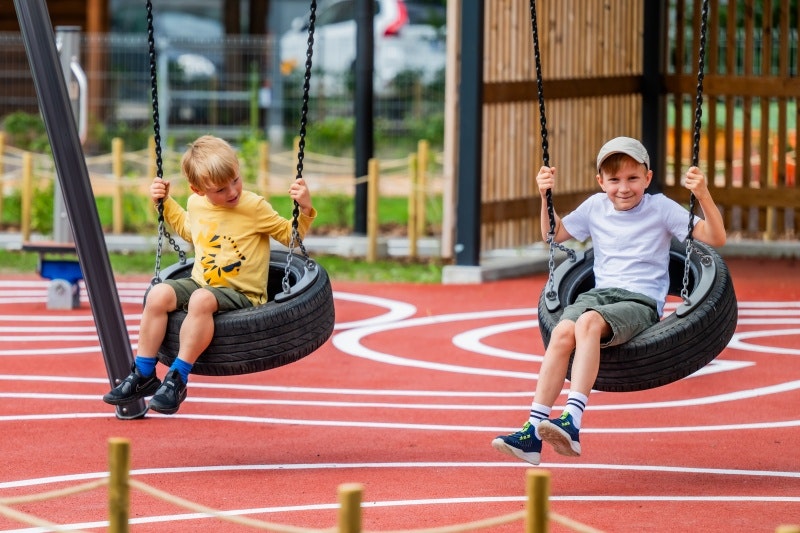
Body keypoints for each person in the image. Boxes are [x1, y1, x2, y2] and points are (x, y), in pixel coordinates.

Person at [492, 136, 726, 464]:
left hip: (640, 300)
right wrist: (544, 195)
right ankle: (533, 430)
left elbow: (716, 238)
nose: (623, 188)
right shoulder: (595, 207)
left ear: (648, 177)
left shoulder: (660, 208)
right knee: (561, 333)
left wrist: (702, 194)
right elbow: (553, 235)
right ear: (601, 182)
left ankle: (571, 421)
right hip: (598, 295)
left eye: (632, 178)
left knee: (587, 323)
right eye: (614, 180)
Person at [103, 135, 316, 415]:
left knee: (201, 300)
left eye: (236, 180)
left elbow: (291, 237)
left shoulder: (253, 207)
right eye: (220, 189)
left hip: (243, 294)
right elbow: (190, 231)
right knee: (158, 294)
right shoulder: (196, 204)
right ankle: (143, 373)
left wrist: (305, 208)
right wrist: (164, 203)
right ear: (198, 189)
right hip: (201, 282)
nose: (232, 191)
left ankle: (177, 378)